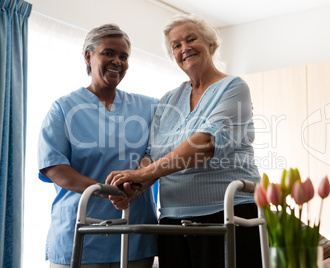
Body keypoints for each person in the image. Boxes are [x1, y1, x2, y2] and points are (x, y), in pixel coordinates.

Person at [106, 14, 262, 268]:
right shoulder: (168, 100)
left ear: (211, 44)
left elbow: (206, 144)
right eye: (176, 45)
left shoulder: (233, 88)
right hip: (172, 221)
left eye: (191, 39)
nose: (184, 48)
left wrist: (144, 175)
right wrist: (135, 185)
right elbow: (152, 155)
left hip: (227, 214)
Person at [37, 24, 158, 268]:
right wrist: (107, 191)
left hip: (134, 234)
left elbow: (155, 153)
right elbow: (54, 167)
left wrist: (137, 179)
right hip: (80, 232)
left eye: (123, 57)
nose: (117, 61)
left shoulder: (148, 107)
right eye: (108, 53)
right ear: (88, 56)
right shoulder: (64, 108)